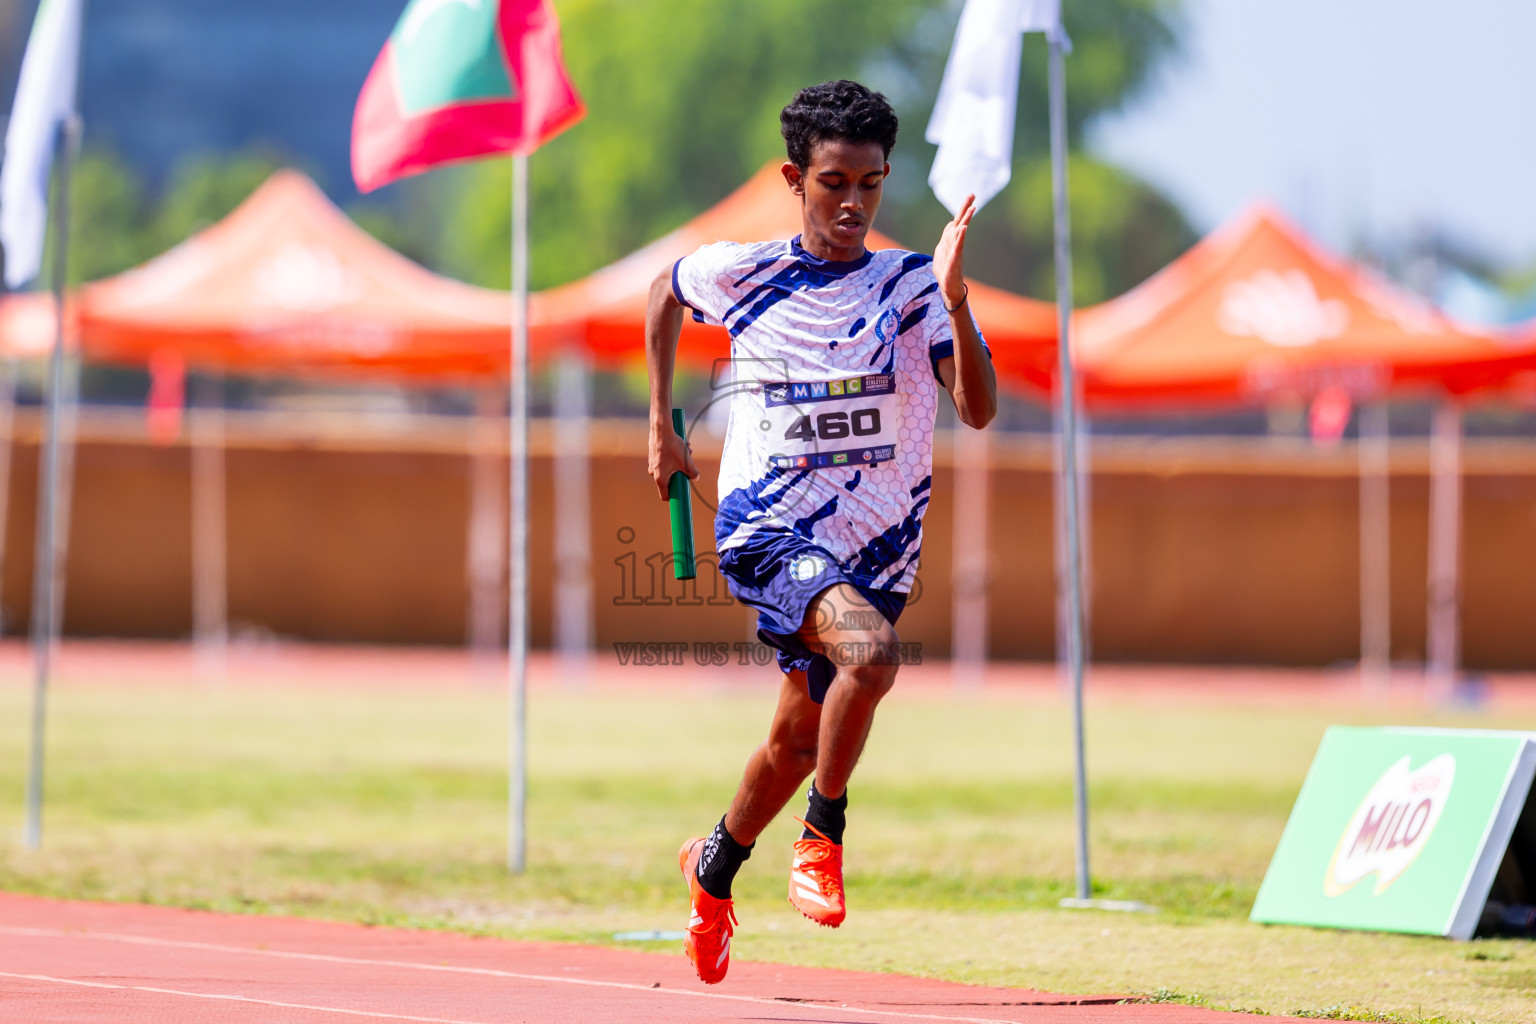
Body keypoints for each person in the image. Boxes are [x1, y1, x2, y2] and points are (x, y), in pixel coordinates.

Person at [645, 79, 996, 985]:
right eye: (835, 183)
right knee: (870, 659)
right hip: (765, 524)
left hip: (879, 545)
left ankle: (713, 869)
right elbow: (661, 293)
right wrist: (659, 427)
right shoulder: (745, 272)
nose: (854, 204)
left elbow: (979, 410)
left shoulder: (916, 285)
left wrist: (957, 302)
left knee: (798, 740)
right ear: (794, 178)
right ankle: (822, 836)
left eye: (871, 185)